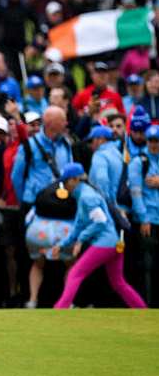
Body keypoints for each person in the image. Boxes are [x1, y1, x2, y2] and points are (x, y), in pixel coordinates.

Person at [51, 163, 146, 309]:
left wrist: (81, 240)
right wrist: (62, 244)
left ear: (75, 180)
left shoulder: (86, 197)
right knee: (118, 282)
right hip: (114, 243)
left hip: (105, 244)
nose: (63, 186)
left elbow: (100, 221)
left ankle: (59, 310)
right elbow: (79, 225)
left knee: (75, 274)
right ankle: (143, 310)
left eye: (65, 182)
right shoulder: (84, 195)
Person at [129, 125, 159, 307]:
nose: (154, 145)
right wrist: (143, 218)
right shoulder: (139, 162)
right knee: (147, 264)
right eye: (152, 141)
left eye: (157, 141)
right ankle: (146, 303)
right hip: (148, 219)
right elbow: (136, 192)